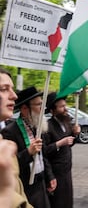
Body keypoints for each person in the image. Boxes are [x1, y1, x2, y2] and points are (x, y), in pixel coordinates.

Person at [1, 86, 56, 208]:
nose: (43, 109)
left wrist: (50, 176)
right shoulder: (10, 132)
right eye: (38, 105)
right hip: (26, 189)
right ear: (25, 108)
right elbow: (10, 166)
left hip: (40, 184)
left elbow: (43, 156)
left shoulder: (36, 127)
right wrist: (28, 152)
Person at [0, 67, 32, 208]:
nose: (14, 96)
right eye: (4, 89)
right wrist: (5, 193)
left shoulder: (4, 144)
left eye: (12, 88)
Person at [44, 92, 81, 208]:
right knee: (58, 203)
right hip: (55, 172)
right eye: (61, 107)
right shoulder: (47, 126)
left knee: (67, 202)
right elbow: (44, 151)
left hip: (67, 170)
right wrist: (60, 143)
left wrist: (76, 134)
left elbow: (70, 143)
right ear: (52, 110)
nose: (65, 109)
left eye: (65, 105)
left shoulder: (66, 122)